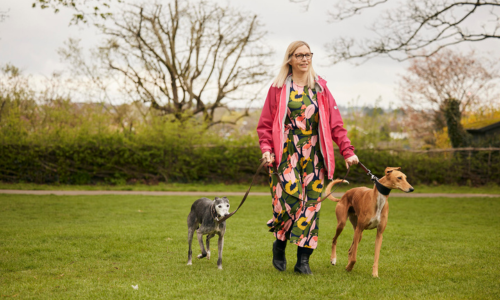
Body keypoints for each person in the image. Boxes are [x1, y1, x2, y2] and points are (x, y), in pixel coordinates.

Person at [256, 41, 359, 275]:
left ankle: (303, 260)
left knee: (310, 207)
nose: (305, 59)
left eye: (308, 54)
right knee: (287, 204)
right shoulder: (278, 88)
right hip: (285, 153)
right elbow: (264, 125)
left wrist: (348, 151)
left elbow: (336, 125)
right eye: (299, 55)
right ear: (290, 59)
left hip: (314, 154)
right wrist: (266, 148)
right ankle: (280, 244)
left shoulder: (320, 88)